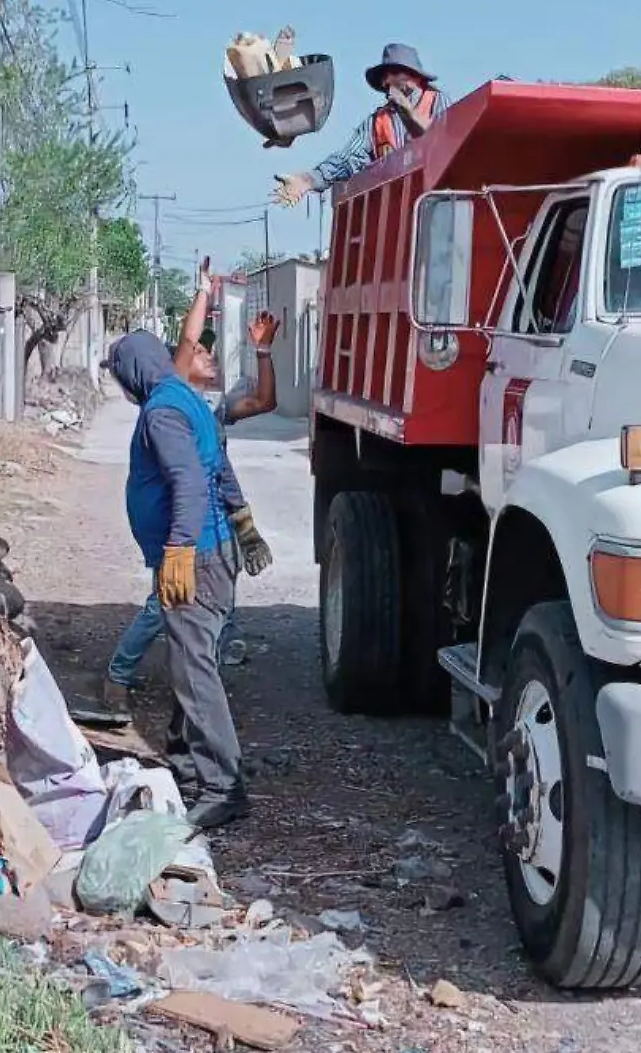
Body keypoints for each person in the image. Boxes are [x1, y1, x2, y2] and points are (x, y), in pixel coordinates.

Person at [105, 330, 273, 829]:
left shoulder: (163, 410)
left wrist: (178, 549)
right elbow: (219, 468)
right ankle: (184, 761)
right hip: (212, 554)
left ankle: (224, 786)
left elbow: (191, 482)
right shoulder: (186, 398)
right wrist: (245, 528)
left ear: (132, 372)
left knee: (195, 670)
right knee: (190, 662)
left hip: (195, 558)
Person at [95, 266, 280, 718]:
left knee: (214, 611)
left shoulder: (211, 407)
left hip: (213, 529)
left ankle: (199, 691)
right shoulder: (171, 397)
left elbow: (264, 403)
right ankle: (119, 675)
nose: (207, 355)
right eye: (200, 351)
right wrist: (202, 291)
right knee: (163, 605)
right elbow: (186, 339)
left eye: (208, 351)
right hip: (183, 529)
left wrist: (262, 349)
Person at [272, 43, 451, 206]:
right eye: (383, 76)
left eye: (393, 73)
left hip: (439, 205)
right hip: (397, 211)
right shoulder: (376, 122)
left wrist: (407, 111)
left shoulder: (438, 102)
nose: (386, 82)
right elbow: (347, 159)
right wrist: (309, 180)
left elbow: (444, 144)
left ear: (414, 76)